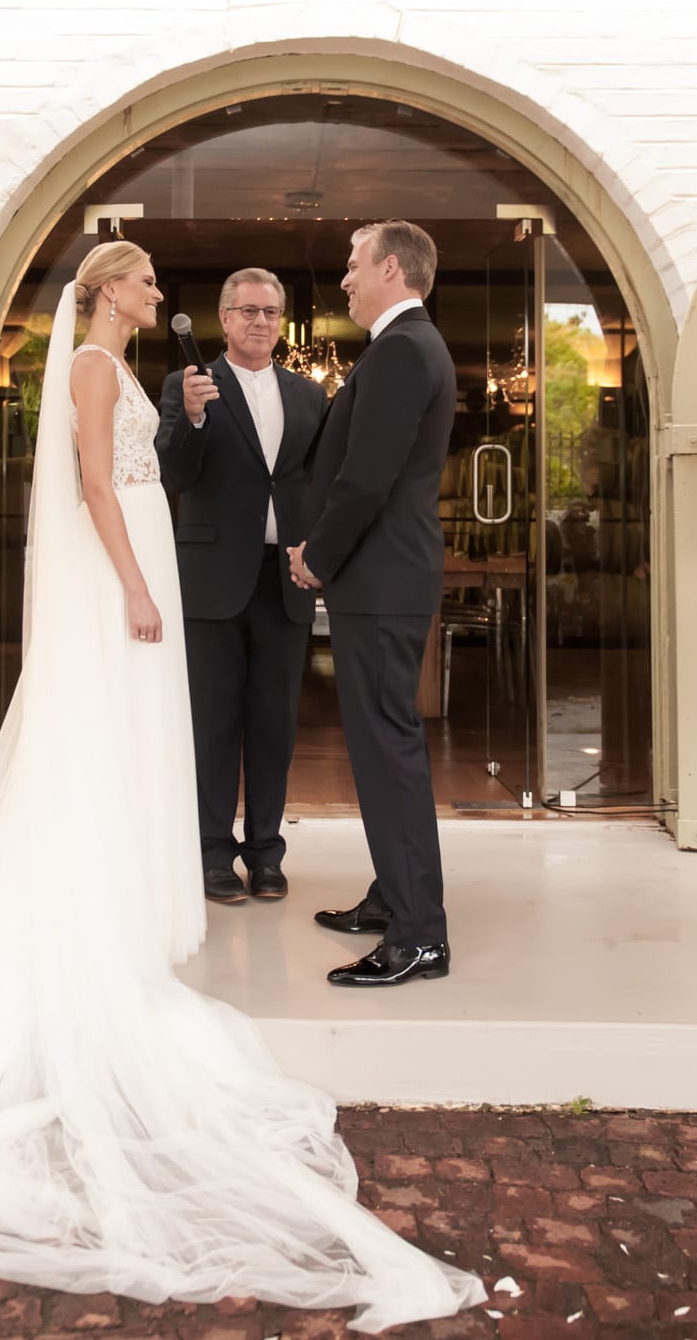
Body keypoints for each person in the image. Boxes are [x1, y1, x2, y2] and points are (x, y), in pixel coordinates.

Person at [0, 241, 483, 1333]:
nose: (169, 296)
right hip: (165, 577)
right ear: (108, 292)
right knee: (192, 741)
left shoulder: (336, 372)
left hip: (296, 576)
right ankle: (338, 895)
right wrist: (149, 553)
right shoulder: (126, 374)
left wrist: (309, 548)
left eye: (349, 267)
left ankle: (389, 907)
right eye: (151, 283)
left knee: (309, 740)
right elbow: (121, 478)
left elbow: (346, 474)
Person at [287, 221, 459, 989]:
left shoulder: (401, 350)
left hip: (381, 581)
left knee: (388, 753)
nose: (346, 279)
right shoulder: (409, 345)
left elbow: (367, 477)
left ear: (391, 267)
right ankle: (394, 895)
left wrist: (316, 555)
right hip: (385, 580)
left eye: (355, 265)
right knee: (380, 750)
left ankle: (419, 936)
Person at [156, 267, 326, 906]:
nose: (260, 321)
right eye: (248, 310)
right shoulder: (189, 384)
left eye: (270, 312)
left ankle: (266, 853)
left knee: (275, 725)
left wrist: (321, 553)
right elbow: (172, 474)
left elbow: (316, 484)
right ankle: (212, 855)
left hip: (285, 578)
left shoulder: (309, 396)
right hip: (212, 580)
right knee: (214, 724)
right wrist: (193, 418)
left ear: (281, 322)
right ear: (224, 319)